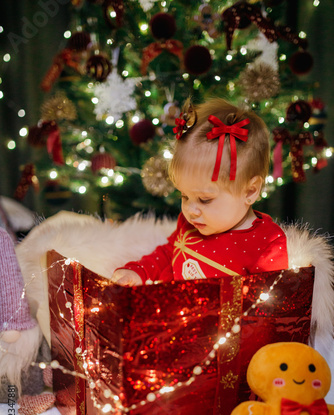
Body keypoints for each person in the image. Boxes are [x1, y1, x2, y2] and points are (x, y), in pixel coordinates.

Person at [112, 98, 288, 286]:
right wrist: (139, 272)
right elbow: (169, 252)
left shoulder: (266, 243)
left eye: (205, 199)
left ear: (250, 191)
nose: (190, 210)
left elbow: (270, 303)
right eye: (185, 196)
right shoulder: (192, 224)